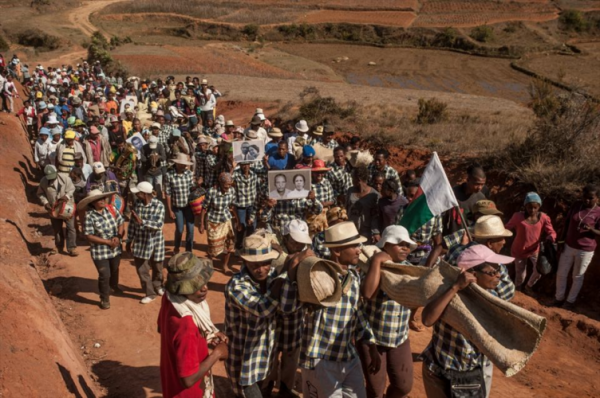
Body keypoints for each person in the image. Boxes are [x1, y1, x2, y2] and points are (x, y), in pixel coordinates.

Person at [285, 221, 381, 398]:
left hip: (347, 356)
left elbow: (357, 312)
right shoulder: (317, 277)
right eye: (354, 246)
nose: (360, 250)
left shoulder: (353, 276)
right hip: (320, 359)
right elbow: (289, 307)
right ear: (337, 251)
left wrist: (371, 344)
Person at [421, 245, 515, 398]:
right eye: (492, 272)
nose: (498, 276)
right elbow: (427, 319)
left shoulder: (493, 298)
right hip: (437, 369)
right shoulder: (448, 292)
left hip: (468, 374)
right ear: (472, 274)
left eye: (499, 271)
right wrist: (455, 287)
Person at [159, 252, 229, 398]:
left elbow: (160, 327)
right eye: (195, 286)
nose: (204, 288)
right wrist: (217, 353)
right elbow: (188, 379)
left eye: (203, 281)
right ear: (182, 288)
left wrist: (208, 335)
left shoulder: (170, 298)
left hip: (171, 383)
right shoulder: (187, 325)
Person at [225, 233, 285, 397]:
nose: (261, 269)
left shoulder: (273, 275)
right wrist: (281, 281)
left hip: (266, 359)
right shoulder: (236, 285)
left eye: (265, 263)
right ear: (245, 262)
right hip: (245, 363)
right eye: (255, 265)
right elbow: (262, 309)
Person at [361, 225, 416, 398]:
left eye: (407, 245)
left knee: (403, 386)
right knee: (375, 391)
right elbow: (368, 293)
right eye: (400, 244)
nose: (405, 248)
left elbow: (414, 299)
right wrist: (377, 262)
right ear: (385, 245)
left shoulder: (409, 269)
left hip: (399, 338)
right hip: (373, 339)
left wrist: (412, 317)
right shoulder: (371, 266)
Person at [554, 184, 600, 310]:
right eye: (585, 197)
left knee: (577, 276)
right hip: (569, 246)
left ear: (597, 198)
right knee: (561, 273)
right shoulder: (576, 206)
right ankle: (558, 299)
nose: (587, 200)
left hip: (585, 250)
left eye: (591, 198)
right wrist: (561, 241)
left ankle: (569, 302)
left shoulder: (598, 212)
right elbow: (567, 223)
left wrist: (591, 229)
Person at [80, 189, 125, 310]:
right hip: (100, 251)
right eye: (99, 199)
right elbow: (88, 235)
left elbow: (121, 222)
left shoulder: (111, 209)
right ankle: (104, 298)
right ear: (93, 203)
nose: (103, 200)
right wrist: (107, 242)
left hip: (115, 248)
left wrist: (118, 236)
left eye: (103, 198)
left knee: (114, 269)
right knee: (104, 274)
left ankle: (114, 286)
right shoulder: (89, 216)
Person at [505, 192, 556, 294]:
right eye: (529, 207)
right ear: (525, 206)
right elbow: (507, 227)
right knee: (520, 274)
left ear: (539, 207)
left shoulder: (543, 218)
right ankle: (518, 291)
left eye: (535, 207)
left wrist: (551, 238)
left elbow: (551, 232)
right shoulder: (517, 217)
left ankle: (528, 286)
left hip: (534, 250)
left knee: (538, 272)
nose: (532, 210)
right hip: (519, 250)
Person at [127, 182, 166, 304]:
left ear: (144, 194)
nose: (136, 195)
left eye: (138, 193)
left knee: (157, 267)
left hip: (156, 242)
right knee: (142, 269)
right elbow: (132, 224)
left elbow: (159, 224)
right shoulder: (137, 205)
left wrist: (142, 221)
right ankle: (150, 293)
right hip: (141, 242)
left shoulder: (159, 205)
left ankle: (158, 285)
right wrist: (129, 240)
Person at [199, 172, 238, 275]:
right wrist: (201, 223)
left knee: (228, 244)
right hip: (213, 221)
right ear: (220, 183)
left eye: (230, 185)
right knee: (213, 245)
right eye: (226, 185)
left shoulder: (232, 191)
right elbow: (204, 207)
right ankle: (210, 264)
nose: (228, 187)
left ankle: (225, 265)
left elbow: (232, 207)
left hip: (226, 219)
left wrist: (237, 221)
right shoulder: (212, 191)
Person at [37, 165, 78, 256]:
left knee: (70, 227)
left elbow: (72, 189)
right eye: (49, 178)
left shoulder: (65, 178)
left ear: (56, 172)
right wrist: (45, 202)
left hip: (67, 207)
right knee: (57, 229)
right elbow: (40, 194)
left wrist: (66, 197)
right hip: (53, 209)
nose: (51, 179)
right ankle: (59, 247)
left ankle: (72, 248)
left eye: (53, 176)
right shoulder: (44, 181)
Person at [166, 153, 196, 253]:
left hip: (188, 206)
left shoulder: (189, 174)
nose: (184, 166)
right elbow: (168, 194)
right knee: (179, 229)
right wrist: (170, 210)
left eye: (185, 164)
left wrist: (197, 185)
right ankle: (177, 246)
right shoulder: (169, 175)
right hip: (177, 207)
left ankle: (188, 250)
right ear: (177, 164)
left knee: (190, 230)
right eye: (182, 164)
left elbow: (192, 188)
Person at [347, 166, 381, 244]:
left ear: (358, 179)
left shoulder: (374, 195)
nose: (352, 181)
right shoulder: (350, 191)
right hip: (351, 230)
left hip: (366, 232)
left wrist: (375, 232)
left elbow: (375, 216)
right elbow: (347, 208)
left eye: (353, 178)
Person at [232, 162, 260, 252]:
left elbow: (258, 188)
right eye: (243, 164)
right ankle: (238, 246)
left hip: (252, 204)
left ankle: (248, 246)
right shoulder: (236, 175)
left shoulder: (254, 175)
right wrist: (233, 167)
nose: (245, 166)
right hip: (240, 205)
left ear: (250, 165)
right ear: (240, 165)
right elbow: (228, 178)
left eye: (247, 164)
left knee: (252, 226)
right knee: (241, 226)